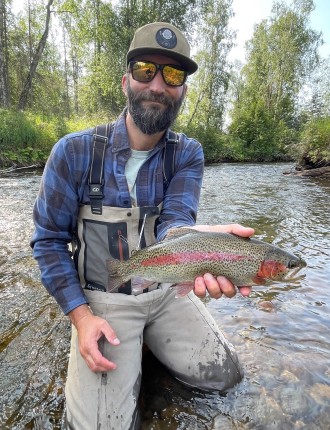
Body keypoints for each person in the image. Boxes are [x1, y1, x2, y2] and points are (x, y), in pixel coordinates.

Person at [31, 22, 254, 430]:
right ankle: (127, 344)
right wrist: (81, 318)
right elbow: (47, 243)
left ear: (183, 91)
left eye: (172, 76)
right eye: (145, 70)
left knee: (227, 378)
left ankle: (148, 344)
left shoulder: (187, 154)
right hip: (106, 299)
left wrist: (199, 244)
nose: (157, 85)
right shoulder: (74, 152)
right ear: (126, 81)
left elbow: (176, 222)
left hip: (168, 290)